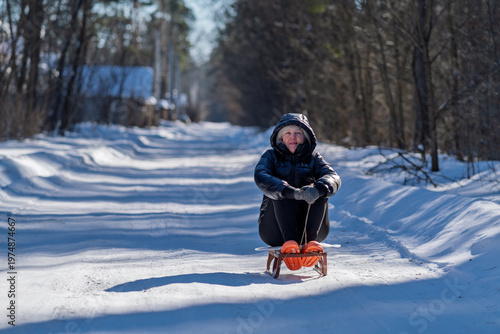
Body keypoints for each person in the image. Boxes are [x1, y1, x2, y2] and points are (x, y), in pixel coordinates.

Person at [254, 113, 341, 270]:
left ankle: (311, 245)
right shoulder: (270, 156)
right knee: (279, 191)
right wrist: (290, 191)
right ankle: (289, 243)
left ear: (305, 137)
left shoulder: (314, 158)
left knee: (319, 190)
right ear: (281, 137)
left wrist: (318, 189)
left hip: (311, 230)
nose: (292, 137)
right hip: (275, 230)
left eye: (297, 133)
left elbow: (333, 177)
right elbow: (261, 176)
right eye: (288, 133)